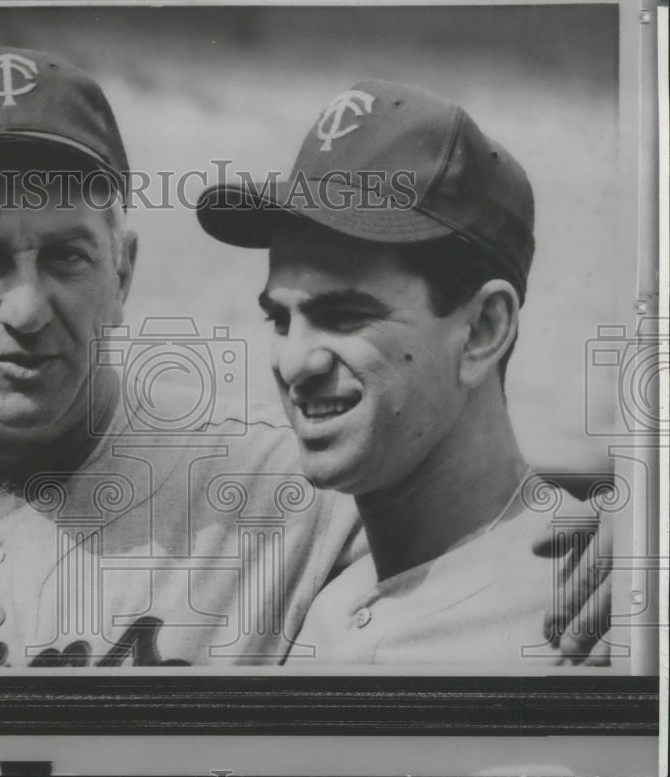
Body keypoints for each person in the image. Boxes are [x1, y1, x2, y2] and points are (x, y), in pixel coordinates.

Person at [0, 53, 605, 669]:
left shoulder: (280, 494)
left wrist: (644, 529)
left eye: (66, 257)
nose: (24, 309)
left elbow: (476, 515)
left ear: (122, 272)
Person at [196, 80, 611, 665]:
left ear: (484, 329)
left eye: (344, 315)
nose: (294, 362)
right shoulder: (322, 610)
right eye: (281, 319)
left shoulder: (601, 604)